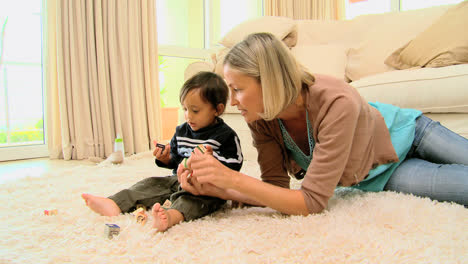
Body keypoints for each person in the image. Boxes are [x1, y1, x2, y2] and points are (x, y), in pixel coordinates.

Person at [177, 32, 468, 216]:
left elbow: (311, 202)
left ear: (269, 81)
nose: (233, 102)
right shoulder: (261, 118)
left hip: (411, 132)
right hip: (381, 171)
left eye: (238, 89)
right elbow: (276, 189)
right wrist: (214, 187)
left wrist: (231, 179)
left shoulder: (335, 100)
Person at [82, 71, 243, 231]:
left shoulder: (225, 135)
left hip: (207, 187)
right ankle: (115, 203)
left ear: (217, 109)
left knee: (195, 201)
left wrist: (212, 159)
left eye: (195, 110)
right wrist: (166, 158)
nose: (188, 116)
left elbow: (235, 163)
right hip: (177, 179)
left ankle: (172, 216)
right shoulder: (182, 131)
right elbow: (175, 158)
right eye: (185, 109)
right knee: (150, 184)